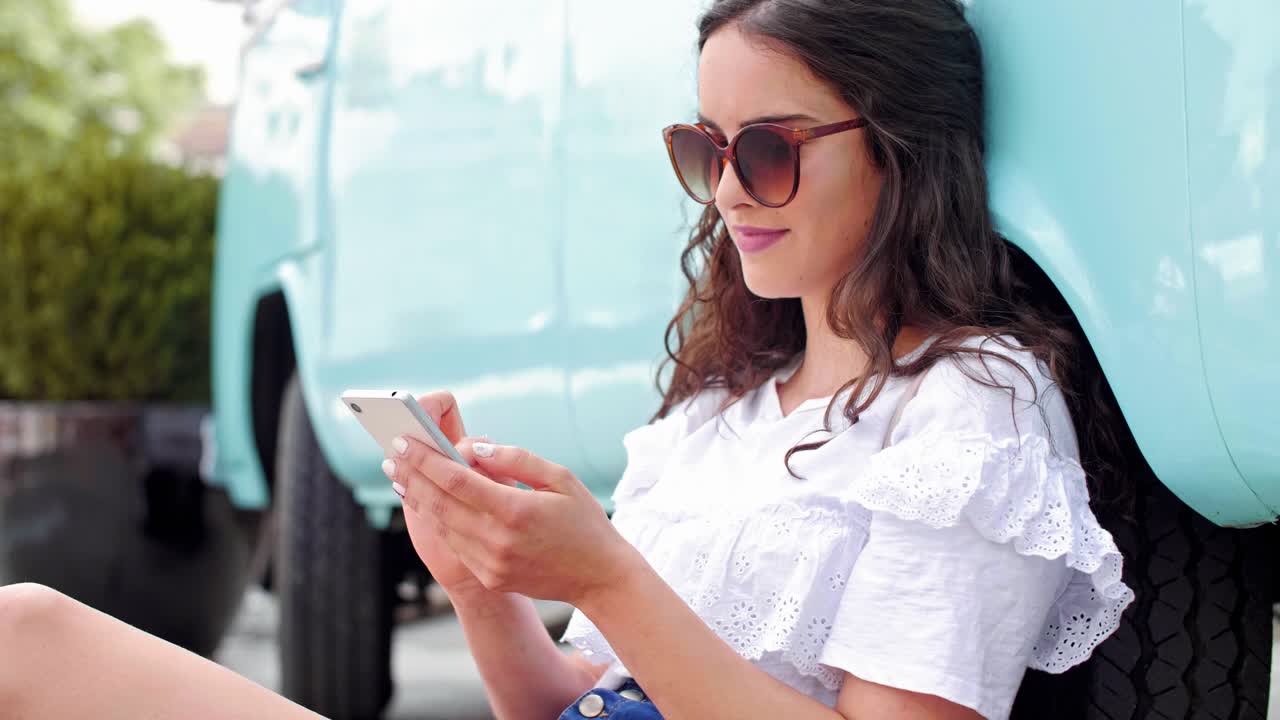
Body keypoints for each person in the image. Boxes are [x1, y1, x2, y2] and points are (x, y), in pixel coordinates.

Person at [0, 0, 1135, 718]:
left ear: (900, 152)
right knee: (26, 630)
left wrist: (603, 574)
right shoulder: (719, 413)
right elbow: (558, 701)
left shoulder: (963, 412)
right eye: (704, 148)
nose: (730, 188)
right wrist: (479, 581)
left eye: (767, 149)